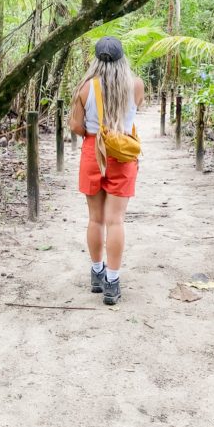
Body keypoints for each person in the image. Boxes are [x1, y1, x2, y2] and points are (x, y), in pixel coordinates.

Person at [69, 36, 144, 305]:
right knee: (116, 221)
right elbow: (136, 110)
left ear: (96, 60)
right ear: (123, 58)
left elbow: (76, 126)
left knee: (96, 219)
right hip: (122, 154)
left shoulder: (86, 88)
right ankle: (112, 282)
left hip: (93, 152)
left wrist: (94, 127)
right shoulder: (135, 85)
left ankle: (97, 273)